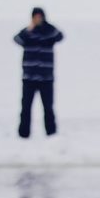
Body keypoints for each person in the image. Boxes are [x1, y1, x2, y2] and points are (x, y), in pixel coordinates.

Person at [13, 7, 64, 138]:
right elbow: (17, 39)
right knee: (25, 107)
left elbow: (60, 36)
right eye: (35, 17)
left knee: (48, 107)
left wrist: (46, 26)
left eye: (39, 17)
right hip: (29, 77)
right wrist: (29, 29)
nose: (37, 19)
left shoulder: (49, 32)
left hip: (46, 78)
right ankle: (23, 134)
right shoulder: (28, 33)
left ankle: (51, 134)